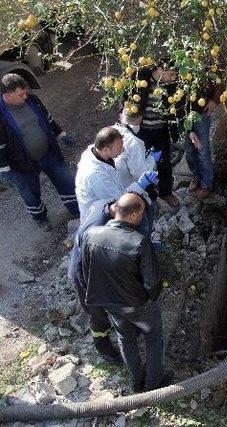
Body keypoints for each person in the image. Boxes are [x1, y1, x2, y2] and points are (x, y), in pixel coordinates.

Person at [80, 193, 172, 392]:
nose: (142, 218)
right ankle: (154, 381)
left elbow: (86, 270)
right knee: (153, 338)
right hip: (137, 304)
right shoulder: (139, 242)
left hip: (110, 304)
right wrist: (152, 299)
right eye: (141, 213)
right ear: (132, 215)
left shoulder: (91, 235)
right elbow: (152, 282)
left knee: (126, 339)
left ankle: (137, 381)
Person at [0, 73, 79, 229]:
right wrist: (3, 169)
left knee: (66, 182)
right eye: (20, 94)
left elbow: (48, 119)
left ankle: (76, 209)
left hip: (49, 153)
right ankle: (40, 218)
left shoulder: (33, 100)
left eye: (25, 92)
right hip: (22, 163)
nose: (25, 97)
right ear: (7, 95)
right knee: (30, 193)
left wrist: (62, 135)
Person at [68, 199, 123, 365]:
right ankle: (102, 346)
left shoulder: (103, 206)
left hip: (88, 267)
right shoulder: (99, 233)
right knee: (97, 313)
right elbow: (87, 267)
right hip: (83, 275)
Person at [75, 126, 157, 223]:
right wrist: (139, 185)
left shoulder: (98, 152)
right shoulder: (96, 176)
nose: (122, 150)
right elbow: (119, 201)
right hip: (100, 222)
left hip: (109, 206)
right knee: (145, 214)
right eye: (119, 147)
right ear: (105, 150)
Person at [134, 60, 181, 207]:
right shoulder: (141, 78)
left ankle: (166, 192)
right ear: (161, 69)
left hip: (161, 130)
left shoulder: (171, 85)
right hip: (141, 131)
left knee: (164, 162)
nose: (174, 78)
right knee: (141, 164)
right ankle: (147, 195)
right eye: (171, 74)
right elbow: (127, 98)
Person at [184, 82, 225, 200]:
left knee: (202, 150)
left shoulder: (207, 64)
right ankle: (197, 177)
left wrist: (215, 100)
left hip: (201, 111)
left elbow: (220, 78)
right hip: (183, 113)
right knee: (189, 151)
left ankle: (207, 183)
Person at [113, 109, 161, 188]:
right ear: (140, 120)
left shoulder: (112, 130)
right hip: (126, 188)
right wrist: (152, 159)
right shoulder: (134, 142)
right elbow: (140, 174)